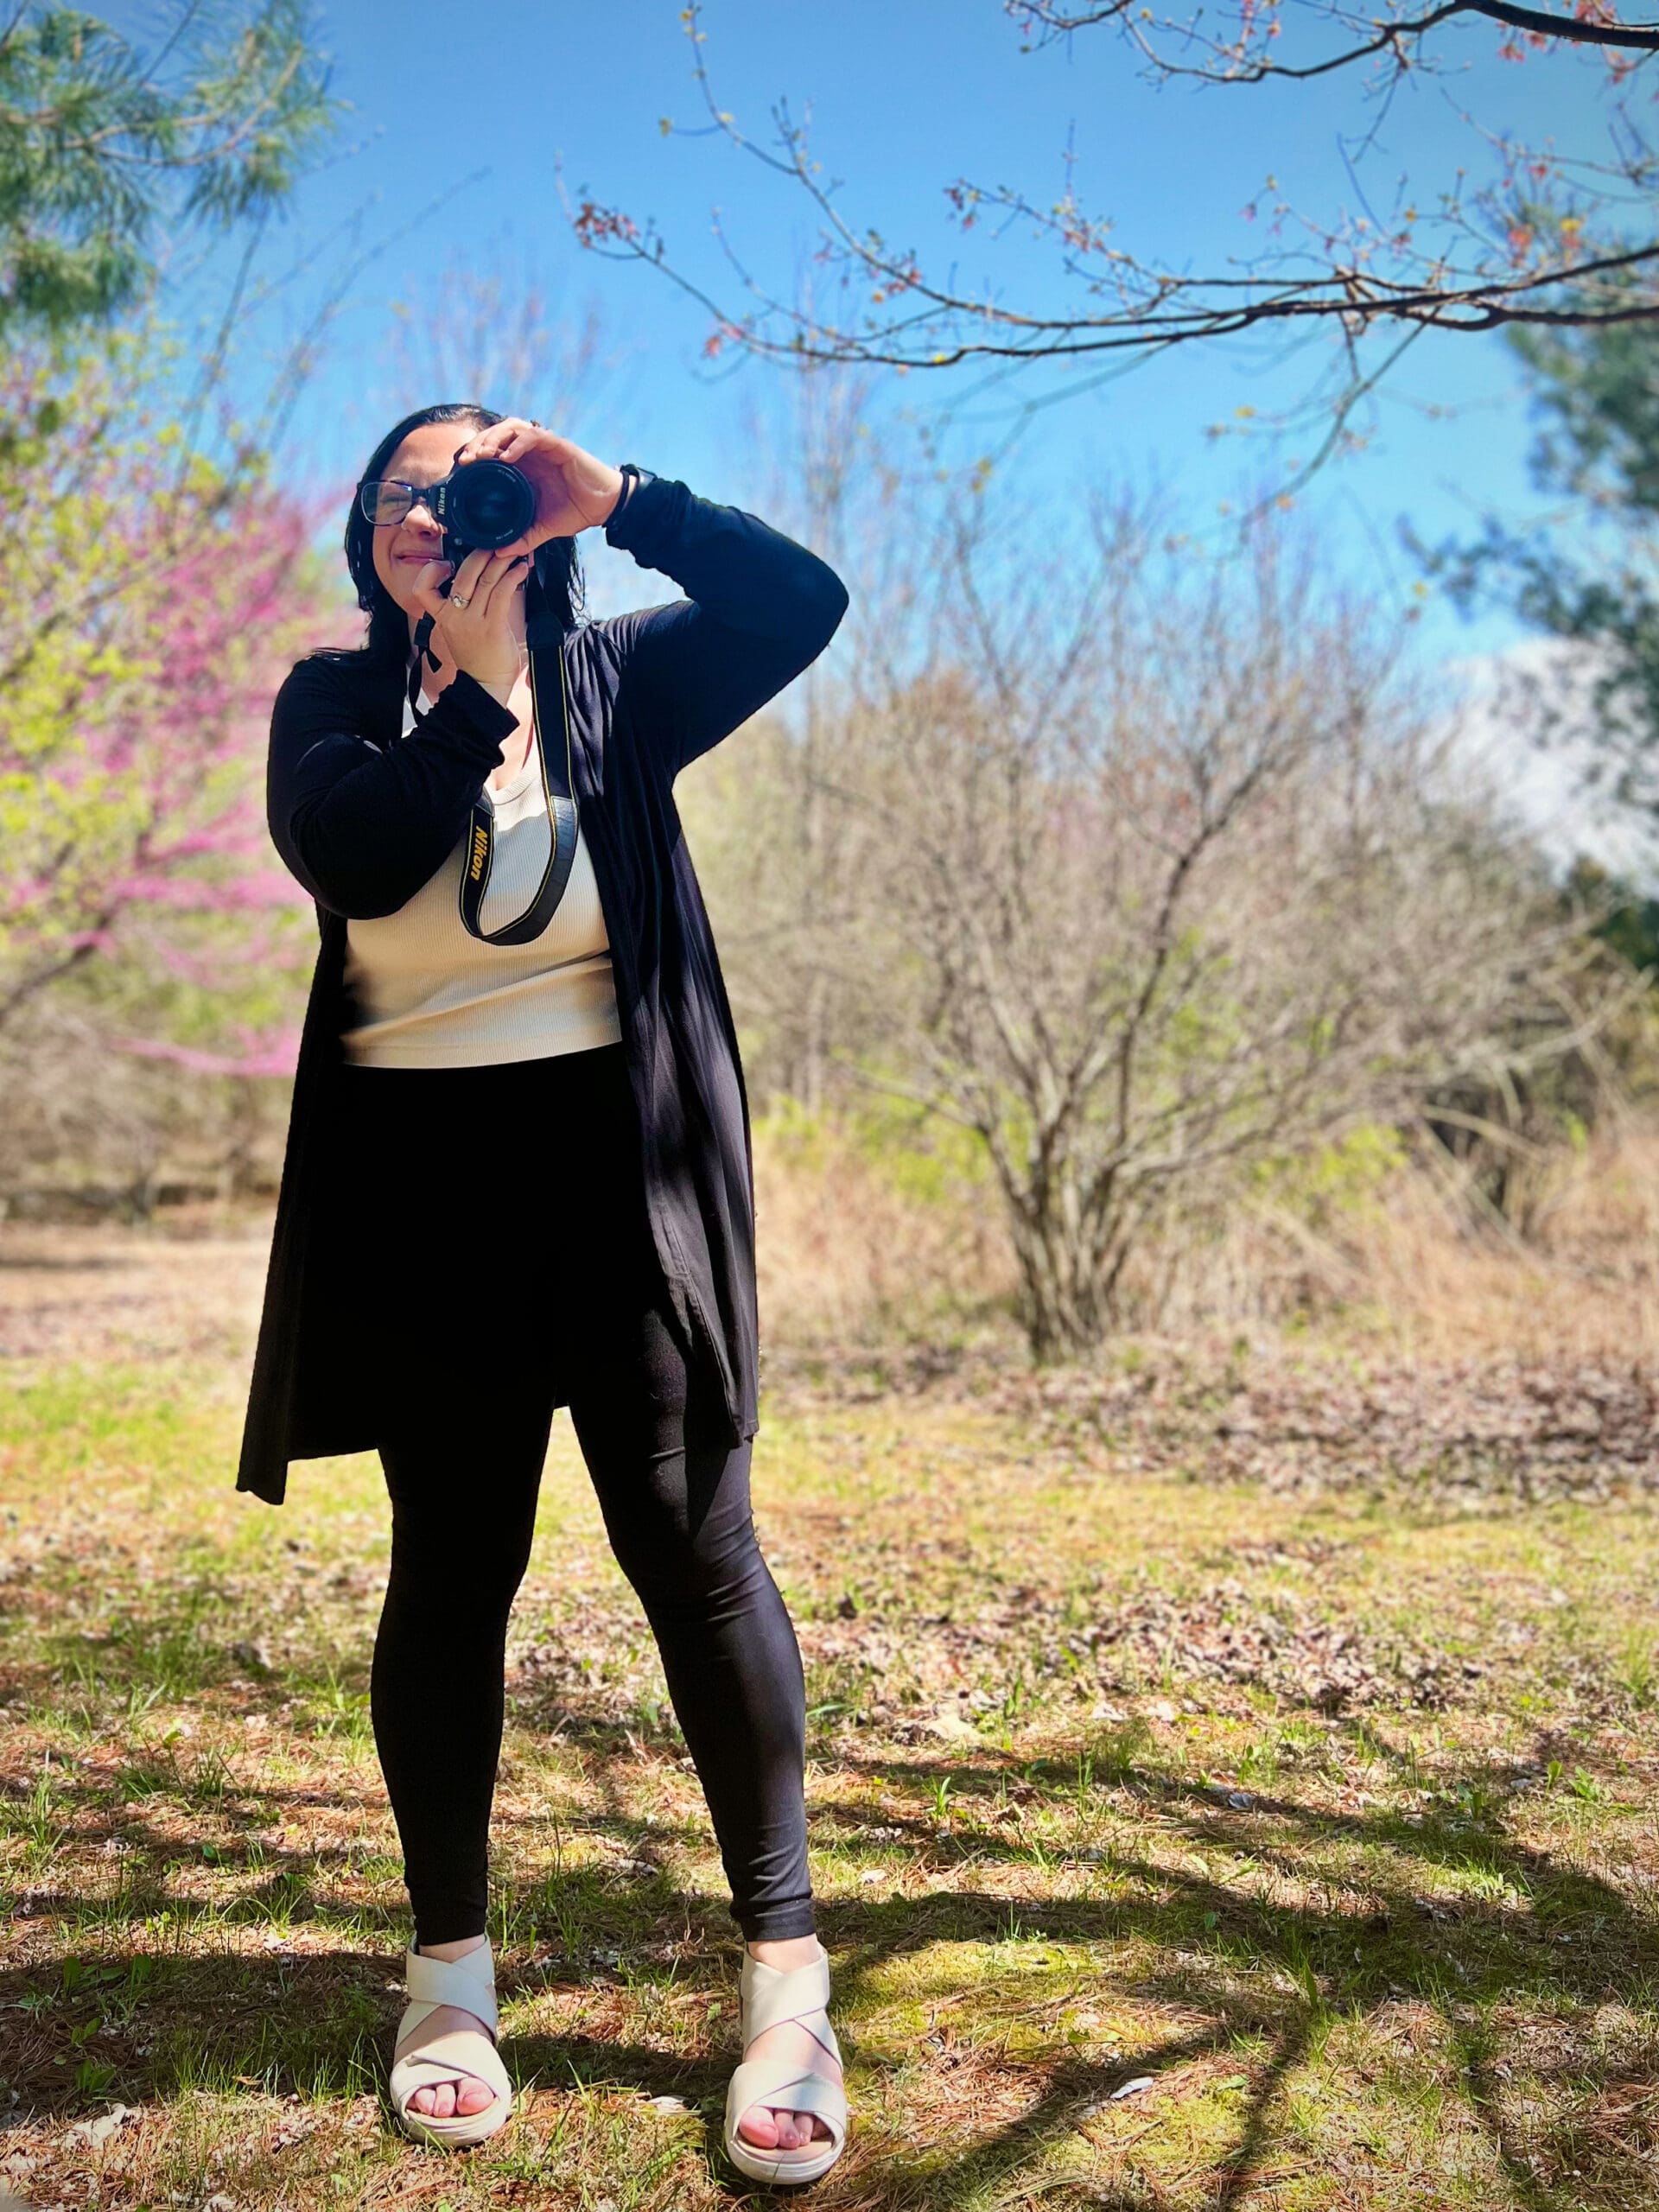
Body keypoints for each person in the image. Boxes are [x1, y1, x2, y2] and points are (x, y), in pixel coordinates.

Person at [236, 404, 850, 2183]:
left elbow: (799, 605)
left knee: (696, 1551)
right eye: (403, 488)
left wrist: (633, 499)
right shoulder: (333, 703)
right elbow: (354, 852)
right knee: (452, 1571)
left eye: (473, 483)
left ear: (531, 516)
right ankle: (450, 1971)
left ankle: (788, 1976)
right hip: (430, 1210)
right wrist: (479, 690)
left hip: (623, 1190)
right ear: (368, 534)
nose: (436, 506)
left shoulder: (627, 685)